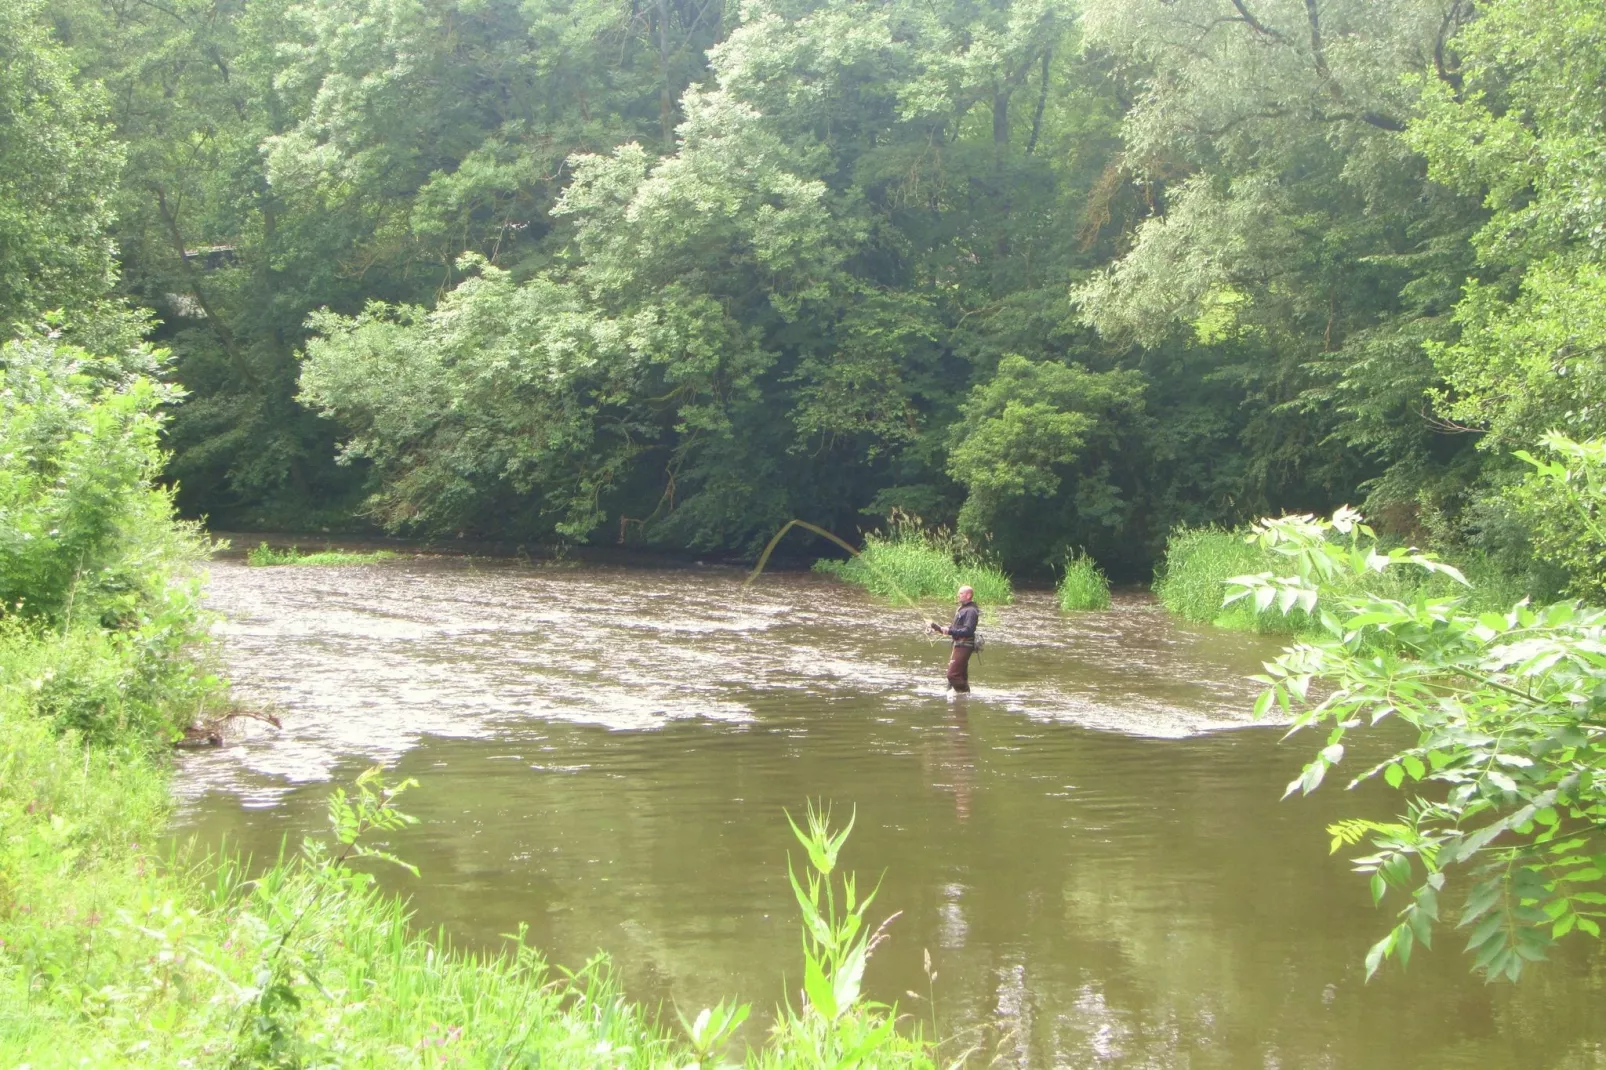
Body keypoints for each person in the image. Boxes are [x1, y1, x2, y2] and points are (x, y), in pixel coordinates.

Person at [928, 585, 980, 693]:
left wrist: (950, 631)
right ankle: (957, 701)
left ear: (968, 595)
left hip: (964, 646)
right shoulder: (962, 609)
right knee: (960, 675)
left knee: (952, 675)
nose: (958, 595)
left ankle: (964, 694)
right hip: (959, 645)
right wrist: (937, 629)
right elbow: (954, 628)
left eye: (961, 593)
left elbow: (968, 631)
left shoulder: (971, 611)